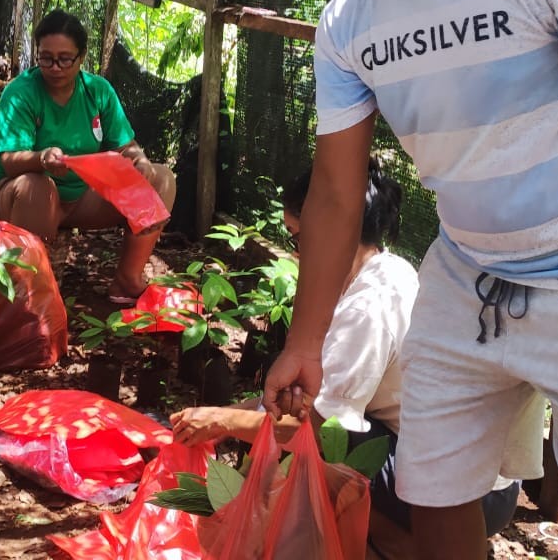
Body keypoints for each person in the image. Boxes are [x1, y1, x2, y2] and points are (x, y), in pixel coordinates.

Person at [261, 0, 558, 558]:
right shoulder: (348, 23)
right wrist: (304, 344)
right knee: (433, 495)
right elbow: (334, 192)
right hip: (464, 277)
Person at [171, 160, 519, 557]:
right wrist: (224, 415)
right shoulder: (388, 269)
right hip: (474, 474)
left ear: (336, 232)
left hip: (472, 498)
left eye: (298, 239)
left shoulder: (367, 308)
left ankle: (396, 544)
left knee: (318, 447)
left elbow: (312, 426)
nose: (297, 254)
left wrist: (221, 420)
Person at [0, 10, 176, 303]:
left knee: (161, 179)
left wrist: (139, 160)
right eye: (46, 58)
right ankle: (30, 293)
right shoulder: (20, 93)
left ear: (82, 56)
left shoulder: (98, 91)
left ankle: (128, 280)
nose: (54, 67)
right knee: (37, 187)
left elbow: (126, 145)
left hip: (82, 198)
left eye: (64, 59)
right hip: (19, 201)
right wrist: (41, 159)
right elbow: (8, 160)